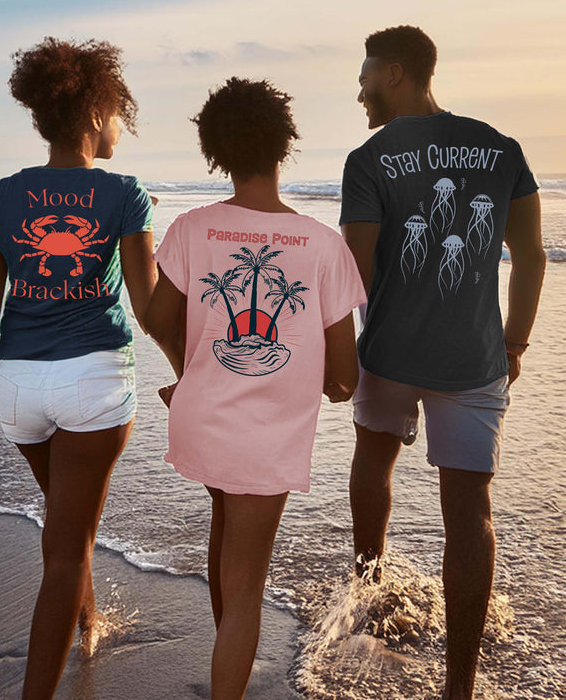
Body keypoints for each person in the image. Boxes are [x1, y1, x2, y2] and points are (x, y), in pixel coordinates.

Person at [0, 37, 156, 700]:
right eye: (119, 109)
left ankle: (90, 621)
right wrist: (189, 369)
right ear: (96, 112)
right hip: (93, 383)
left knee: (69, 522)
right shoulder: (124, 192)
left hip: (19, 392)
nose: (121, 123)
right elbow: (148, 303)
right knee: (64, 549)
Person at [340, 26, 547, 700]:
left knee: (375, 457)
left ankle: (367, 596)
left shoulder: (369, 157)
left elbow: (357, 270)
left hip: (391, 352)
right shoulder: (502, 147)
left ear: (397, 73)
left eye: (366, 74)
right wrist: (514, 342)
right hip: (472, 357)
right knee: (468, 506)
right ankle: (459, 684)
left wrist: (366, 341)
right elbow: (532, 256)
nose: (361, 89)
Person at [145, 77, 366, 700]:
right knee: (247, 587)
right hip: (263, 439)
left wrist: (191, 373)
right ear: (283, 146)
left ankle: (228, 656)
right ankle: (229, 673)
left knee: (226, 537)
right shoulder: (323, 245)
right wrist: (326, 381)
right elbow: (344, 378)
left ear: (216, 151)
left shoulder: (192, 229)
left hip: (203, 418)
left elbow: (161, 318)